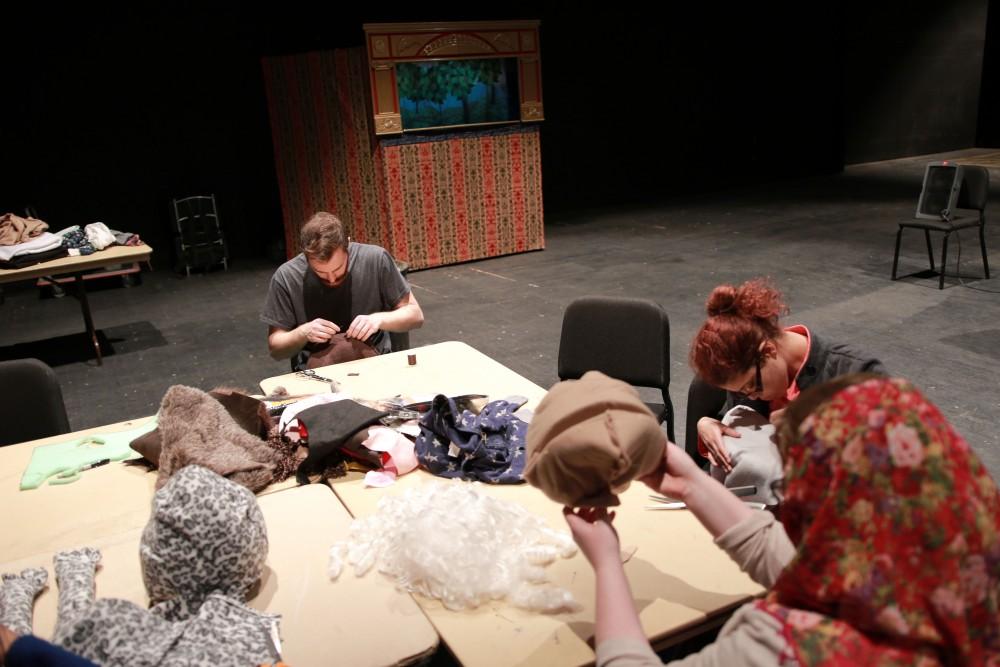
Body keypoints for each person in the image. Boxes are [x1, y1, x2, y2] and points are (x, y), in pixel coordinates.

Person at [565, 374, 1000, 665]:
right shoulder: (962, 569)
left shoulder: (788, 647)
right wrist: (692, 486)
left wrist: (606, 562)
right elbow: (807, 570)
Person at [688, 277, 885, 473]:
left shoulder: (859, 374)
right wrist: (709, 424)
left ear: (769, 351)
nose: (751, 396)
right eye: (741, 392)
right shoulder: (747, 373)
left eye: (753, 386)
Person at [261, 211, 424, 369]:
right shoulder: (287, 276)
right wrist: (303, 333)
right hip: (315, 371)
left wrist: (378, 319)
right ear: (305, 255)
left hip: (373, 361)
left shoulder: (375, 259)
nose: (331, 279)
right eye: (321, 273)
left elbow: (415, 315)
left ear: (347, 245)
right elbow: (276, 349)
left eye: (338, 269)